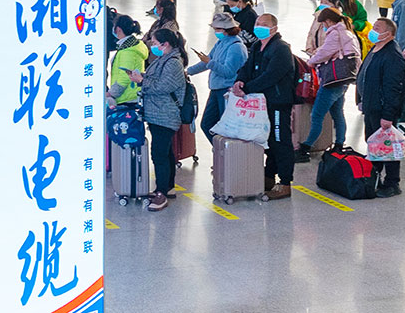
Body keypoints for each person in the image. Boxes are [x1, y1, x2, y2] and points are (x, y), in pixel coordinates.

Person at [230, 14, 296, 200]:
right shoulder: (257, 46)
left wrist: (247, 88)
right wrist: (240, 81)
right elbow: (247, 68)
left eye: (264, 24)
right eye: (258, 23)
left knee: (280, 140)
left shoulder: (281, 49)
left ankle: (285, 183)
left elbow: (271, 76)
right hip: (262, 103)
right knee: (269, 141)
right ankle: (268, 177)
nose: (259, 26)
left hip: (278, 102)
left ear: (274, 28)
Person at [127, 28, 187, 211]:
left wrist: (141, 81)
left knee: (159, 154)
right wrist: (142, 77)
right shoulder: (164, 59)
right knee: (166, 152)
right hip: (157, 114)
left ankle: (161, 193)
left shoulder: (173, 63)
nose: (152, 46)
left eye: (154, 43)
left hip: (165, 115)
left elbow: (163, 86)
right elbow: (157, 79)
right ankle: (168, 187)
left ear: (165, 44)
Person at [295, 7, 360, 163]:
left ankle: (306, 147)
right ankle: (339, 144)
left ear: (329, 21)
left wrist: (311, 61)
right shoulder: (347, 32)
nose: (323, 26)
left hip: (332, 81)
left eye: (323, 23)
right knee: (337, 113)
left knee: (317, 114)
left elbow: (325, 52)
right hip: (343, 80)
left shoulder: (335, 33)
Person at [355, 18, 405, 198]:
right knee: (374, 144)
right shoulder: (376, 49)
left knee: (388, 146)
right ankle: (374, 177)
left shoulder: (392, 56)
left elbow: (393, 88)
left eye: (378, 28)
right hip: (371, 106)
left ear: (389, 34)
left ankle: (392, 182)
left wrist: (388, 115)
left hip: (382, 109)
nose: (373, 30)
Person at [188, 13, 248, 142]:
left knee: (226, 128)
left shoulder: (236, 47)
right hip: (216, 90)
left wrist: (209, 62)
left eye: (218, 29)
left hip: (227, 91)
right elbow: (206, 62)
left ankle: (227, 151)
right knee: (207, 124)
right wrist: (188, 72)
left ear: (227, 29)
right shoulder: (220, 43)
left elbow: (228, 72)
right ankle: (220, 149)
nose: (215, 32)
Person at [106, 15, 149, 106]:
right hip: (130, 94)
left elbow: (125, 77)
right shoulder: (131, 45)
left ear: (118, 29)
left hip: (128, 97)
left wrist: (111, 93)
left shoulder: (128, 51)